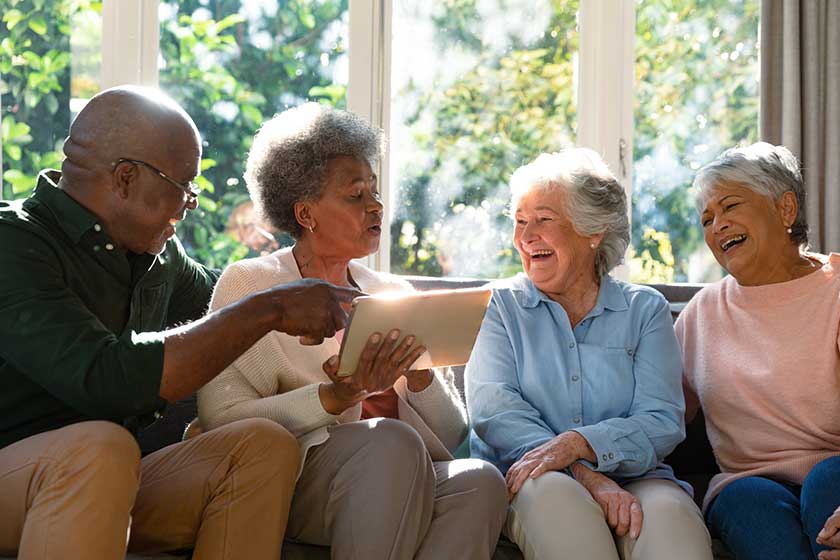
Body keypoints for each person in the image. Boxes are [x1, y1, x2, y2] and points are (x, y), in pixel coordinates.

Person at [0, 86, 362, 559]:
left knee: (262, 446)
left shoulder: (157, 256)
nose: (190, 203)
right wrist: (272, 307)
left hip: (112, 476)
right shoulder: (15, 244)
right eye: (183, 185)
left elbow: (230, 295)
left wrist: (331, 283)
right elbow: (108, 378)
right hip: (23, 474)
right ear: (126, 178)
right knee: (102, 448)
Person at [197, 102, 508, 560]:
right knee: (391, 440)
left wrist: (419, 376)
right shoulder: (253, 285)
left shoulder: (393, 291)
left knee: (480, 480)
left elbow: (453, 430)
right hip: (297, 477)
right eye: (355, 195)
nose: (375, 206)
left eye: (375, 192)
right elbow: (220, 415)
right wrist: (333, 398)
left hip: (402, 470)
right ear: (306, 213)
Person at [466, 149, 713, 560]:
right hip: (534, 474)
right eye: (520, 222)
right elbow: (496, 412)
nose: (526, 237)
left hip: (638, 474)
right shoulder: (498, 306)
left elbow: (662, 419)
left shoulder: (644, 310)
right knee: (567, 519)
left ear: (593, 231)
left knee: (675, 533)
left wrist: (582, 443)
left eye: (543, 220)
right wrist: (581, 470)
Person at [675, 142, 840, 560]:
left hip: (835, 473)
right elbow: (657, 413)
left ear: (785, 209)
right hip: (746, 484)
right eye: (707, 219)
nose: (718, 226)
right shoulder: (701, 314)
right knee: (744, 498)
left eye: (730, 207)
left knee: (826, 481)